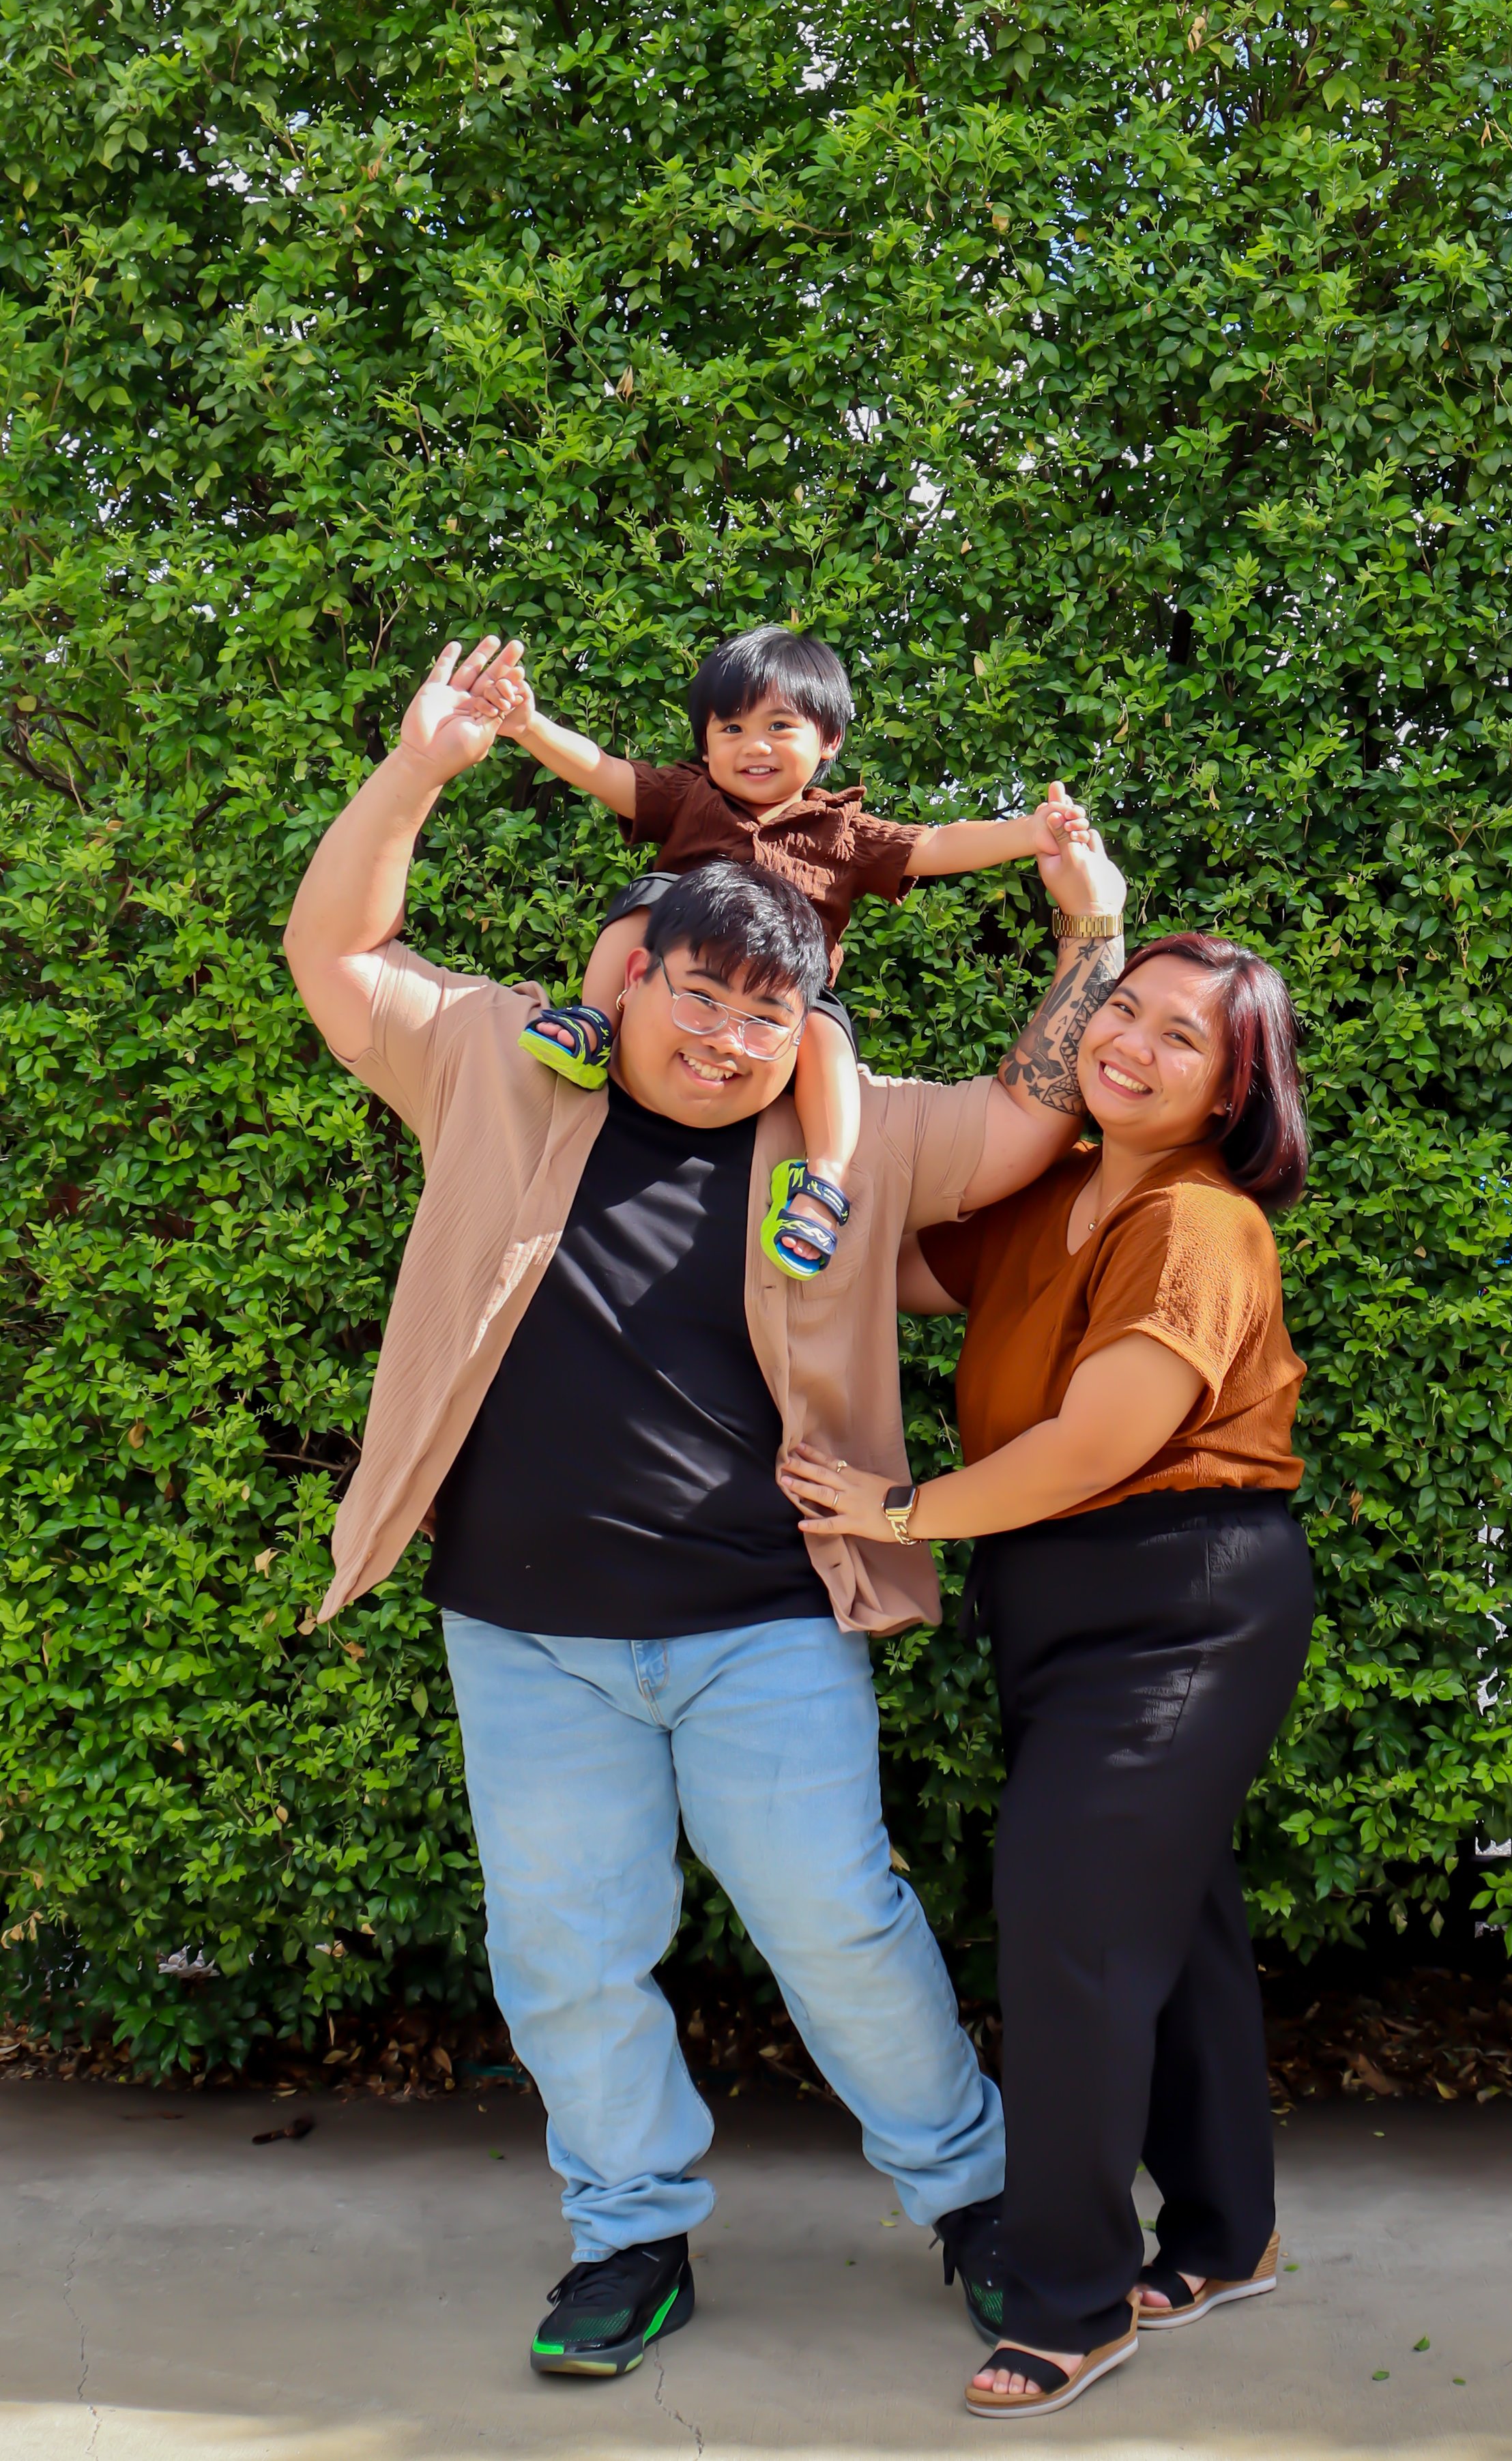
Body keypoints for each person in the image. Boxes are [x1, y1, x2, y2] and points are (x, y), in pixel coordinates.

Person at [280, 635, 1129, 2383]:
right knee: (567, 1944)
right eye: (703, 995)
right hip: (523, 1624)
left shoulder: (855, 1138)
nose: (732, 1036)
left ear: (803, 1019)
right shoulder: (505, 1064)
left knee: (835, 1913)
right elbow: (339, 953)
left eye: (770, 1012)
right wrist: (423, 764)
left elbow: (1025, 1119)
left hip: (761, 1619)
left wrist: (1087, 931)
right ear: (635, 967)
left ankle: (976, 2194)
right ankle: (629, 2230)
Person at [781, 929, 1313, 2420]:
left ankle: (1072, 2298)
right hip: (1063, 1604)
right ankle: (1224, 2235)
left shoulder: (1200, 1226)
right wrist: (803, 1151)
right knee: (1173, 1913)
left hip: (1186, 1598)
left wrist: (893, 1511)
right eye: (1119, 1010)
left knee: (1070, 1916)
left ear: (1230, 1093)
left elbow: (1098, 1441)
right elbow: (892, 1272)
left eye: (1178, 1040)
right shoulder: (1058, 1195)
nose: (1129, 1046)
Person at [483, 624, 1087, 1278]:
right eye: (731, 729)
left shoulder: (843, 832)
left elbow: (936, 845)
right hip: (689, 968)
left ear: (828, 740)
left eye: (779, 726)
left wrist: (1029, 832)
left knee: (826, 1028)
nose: (755, 746)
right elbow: (605, 771)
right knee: (652, 897)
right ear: (705, 743)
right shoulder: (691, 797)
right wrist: (529, 725)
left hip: (784, 997)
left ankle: (823, 1183)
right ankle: (594, 1023)